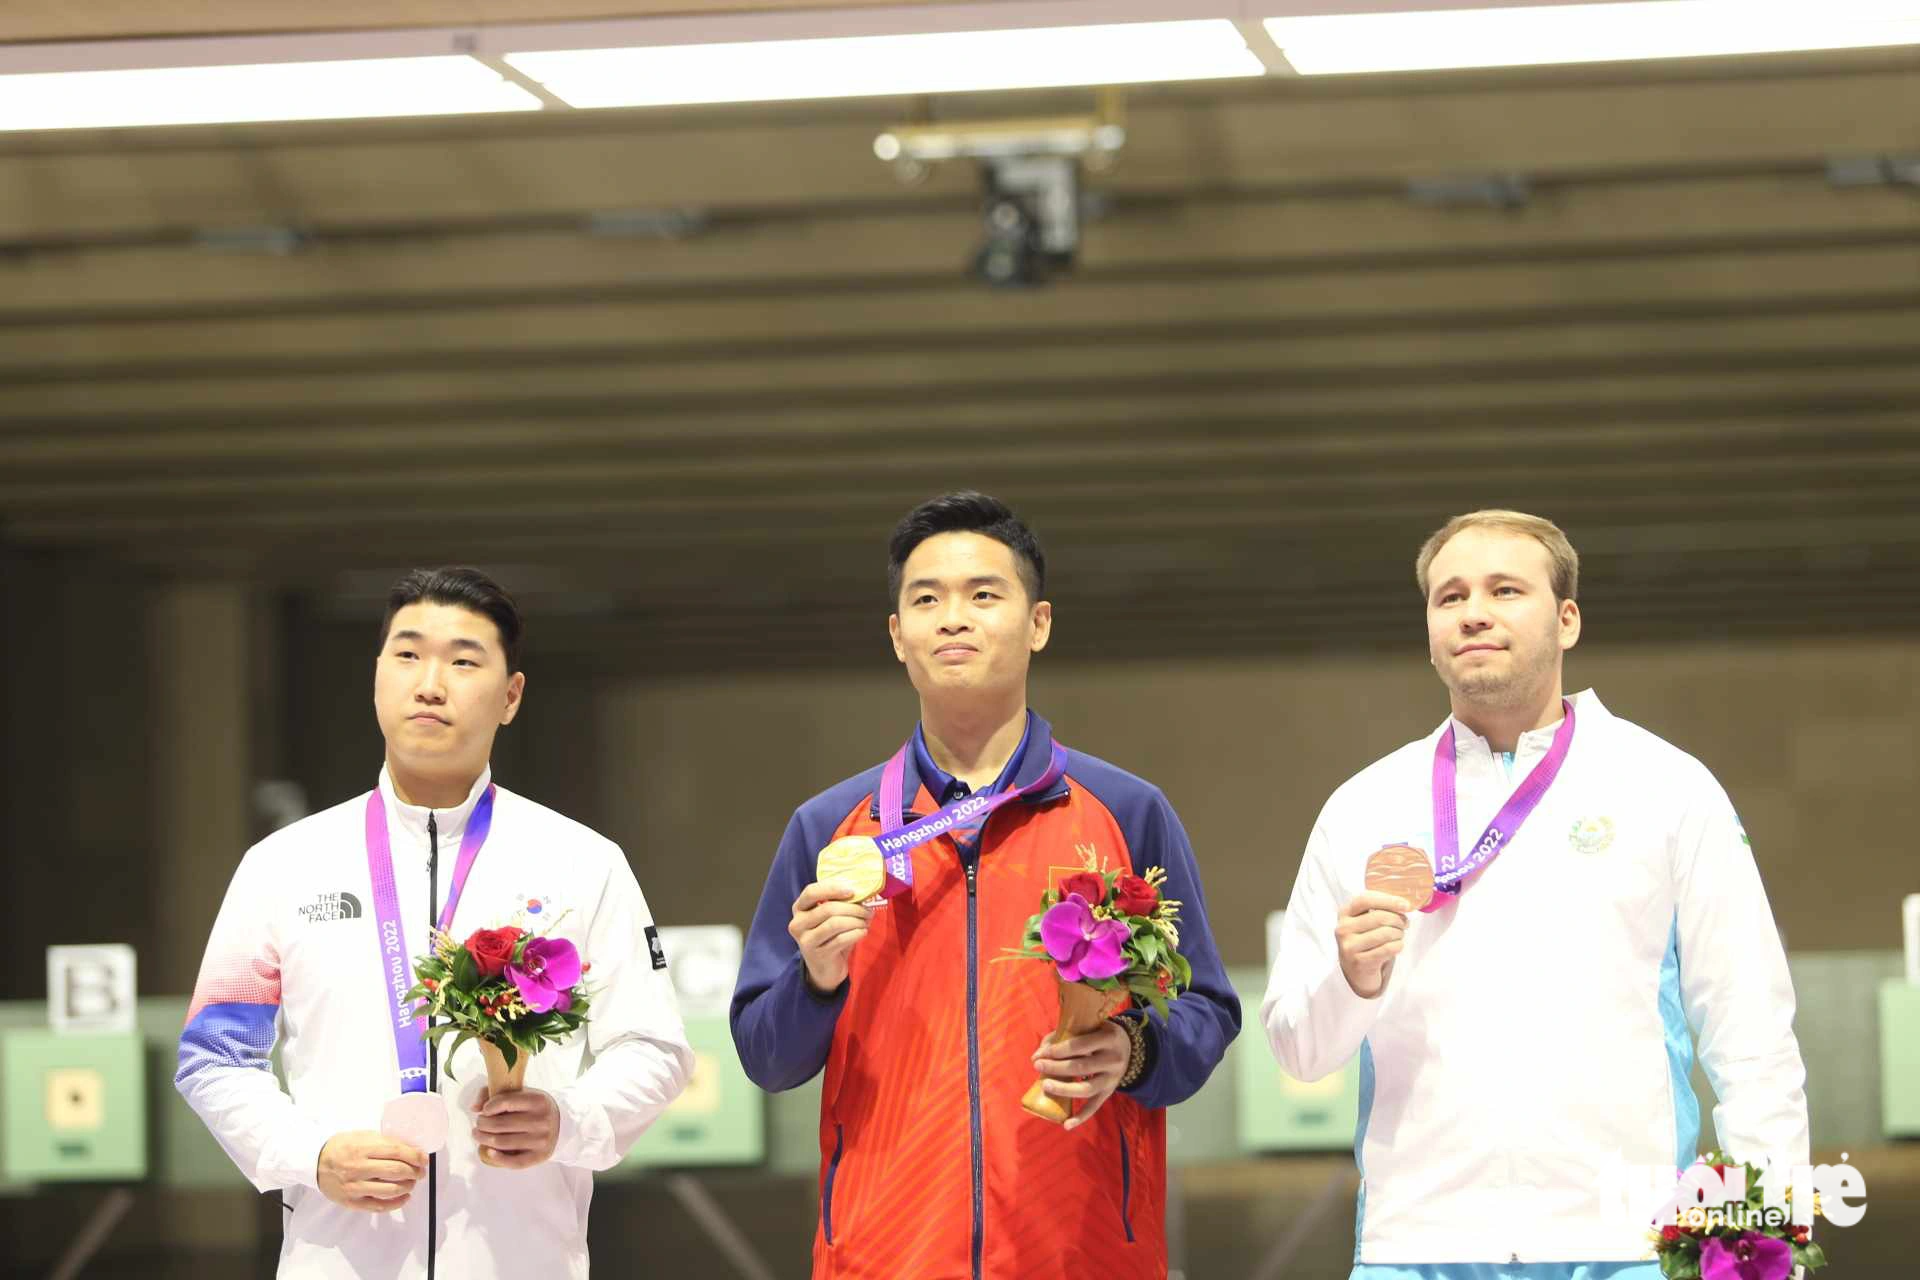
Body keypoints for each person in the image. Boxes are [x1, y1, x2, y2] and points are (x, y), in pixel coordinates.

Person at [1261, 510, 1810, 1279]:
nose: (1474, 611)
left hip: (1628, 1244)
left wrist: (1765, 1238)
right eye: (1449, 596)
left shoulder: (1668, 788)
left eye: (1505, 588)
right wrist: (1349, 982)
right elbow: (1298, 1050)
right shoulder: (1364, 805)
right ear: (1429, 629)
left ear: (1567, 619)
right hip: (1418, 1244)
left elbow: (1750, 1030)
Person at [731, 491, 1240, 1279]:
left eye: (983, 595)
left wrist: (1132, 1049)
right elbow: (766, 1057)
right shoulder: (831, 825)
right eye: (926, 599)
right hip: (883, 1253)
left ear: (1037, 623)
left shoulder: (1126, 811)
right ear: (898, 637)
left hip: (1084, 1252)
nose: (953, 618)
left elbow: (1207, 1011)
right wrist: (818, 979)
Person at [177, 566, 693, 1278]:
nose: (430, 682)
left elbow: (654, 1048)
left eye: (463, 660)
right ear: (377, 678)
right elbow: (213, 1057)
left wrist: (569, 1120)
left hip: (521, 1258)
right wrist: (311, 1155)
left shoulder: (583, 862)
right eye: (409, 654)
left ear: (510, 696)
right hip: (341, 1258)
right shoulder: (284, 864)